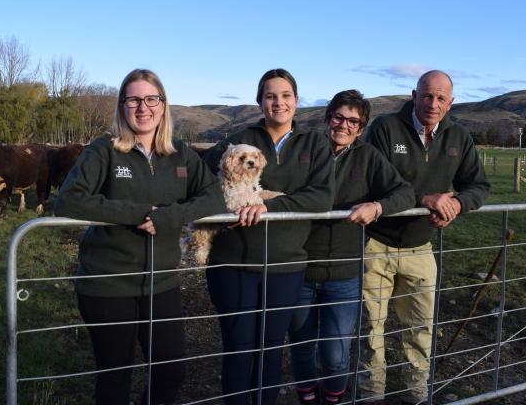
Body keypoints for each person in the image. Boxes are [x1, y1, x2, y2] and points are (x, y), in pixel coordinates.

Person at [54, 69, 225, 405]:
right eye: (133, 99)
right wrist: (139, 214)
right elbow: (68, 199)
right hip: (108, 283)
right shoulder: (104, 149)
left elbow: (214, 196)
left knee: (171, 372)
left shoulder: (181, 153)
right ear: (122, 106)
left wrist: (169, 216)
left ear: (163, 105)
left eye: (151, 99)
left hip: (161, 282)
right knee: (115, 378)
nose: (142, 107)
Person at [203, 68, 336, 405]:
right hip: (233, 262)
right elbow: (202, 180)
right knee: (238, 347)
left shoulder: (314, 144)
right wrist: (231, 201)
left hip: (286, 264)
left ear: (296, 99)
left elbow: (322, 196)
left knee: (272, 349)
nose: (279, 102)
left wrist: (267, 203)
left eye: (286, 95)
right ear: (260, 101)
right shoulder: (238, 141)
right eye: (271, 96)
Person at [360, 70, 490, 404]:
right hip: (375, 244)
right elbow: (376, 181)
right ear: (413, 95)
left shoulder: (458, 138)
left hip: (421, 247)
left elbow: (479, 186)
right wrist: (425, 198)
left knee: (420, 329)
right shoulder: (386, 128)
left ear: (451, 102)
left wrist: (458, 204)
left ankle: (415, 395)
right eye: (427, 95)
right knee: (369, 329)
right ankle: (371, 394)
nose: (433, 104)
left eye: (441, 97)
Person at [288, 90, 415, 404]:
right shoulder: (303, 150)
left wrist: (377, 206)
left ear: (361, 128)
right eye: (338, 117)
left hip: (344, 273)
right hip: (298, 267)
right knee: (301, 345)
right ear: (327, 118)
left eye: (353, 121)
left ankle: (332, 398)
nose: (344, 125)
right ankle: (306, 397)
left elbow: (404, 193)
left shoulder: (368, 156)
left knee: (335, 351)